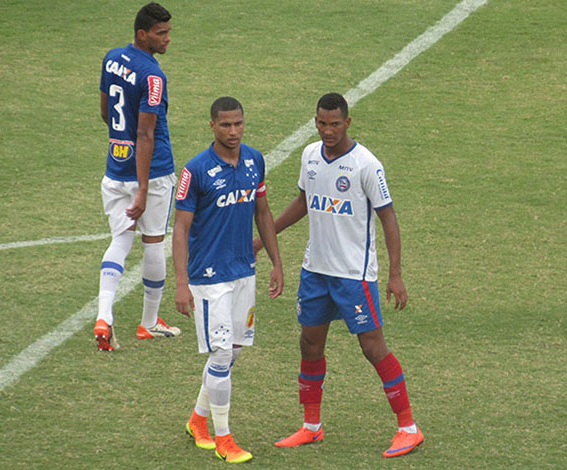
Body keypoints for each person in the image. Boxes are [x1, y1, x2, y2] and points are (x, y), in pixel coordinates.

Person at [254, 93, 423, 458]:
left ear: (348, 122)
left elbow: (388, 217)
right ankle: (311, 426)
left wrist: (395, 275)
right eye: (321, 123)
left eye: (334, 123)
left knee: (372, 348)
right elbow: (304, 200)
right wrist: (262, 241)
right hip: (316, 269)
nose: (327, 130)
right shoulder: (310, 156)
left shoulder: (366, 165)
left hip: (354, 275)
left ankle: (409, 428)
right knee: (309, 344)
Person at [173, 97, 284, 464]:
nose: (233, 131)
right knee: (221, 355)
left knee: (233, 352)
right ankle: (224, 438)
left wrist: (276, 263)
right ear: (212, 127)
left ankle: (197, 420)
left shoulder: (255, 160)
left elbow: (263, 213)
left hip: (243, 272)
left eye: (238, 124)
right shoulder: (196, 171)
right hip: (208, 278)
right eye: (225, 125)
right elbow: (181, 227)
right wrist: (180, 281)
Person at [94, 2, 181, 351]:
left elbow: (104, 111)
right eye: (161, 33)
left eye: (169, 32)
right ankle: (148, 323)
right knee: (153, 241)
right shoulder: (153, 76)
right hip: (153, 171)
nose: (168, 39)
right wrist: (143, 188)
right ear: (142, 34)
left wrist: (121, 141)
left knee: (120, 238)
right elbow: (146, 135)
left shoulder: (112, 58)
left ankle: (104, 315)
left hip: (115, 167)